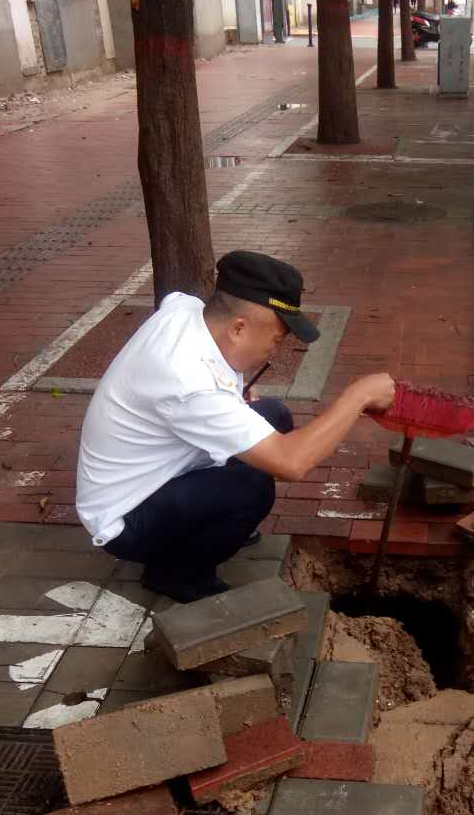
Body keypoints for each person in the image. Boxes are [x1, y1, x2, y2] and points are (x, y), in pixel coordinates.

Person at [76, 251, 396, 602]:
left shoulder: (186, 310)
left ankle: (205, 532)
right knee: (251, 488)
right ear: (238, 328)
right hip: (125, 518)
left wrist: (230, 384)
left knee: (273, 416)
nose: (275, 352)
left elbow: (195, 348)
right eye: (276, 339)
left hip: (156, 474)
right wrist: (358, 396)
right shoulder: (187, 380)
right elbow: (291, 463)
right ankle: (177, 574)